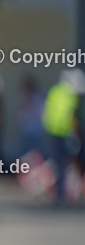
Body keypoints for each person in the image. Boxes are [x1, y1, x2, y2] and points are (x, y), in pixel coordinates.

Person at [41, 68, 85, 203]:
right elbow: (72, 117)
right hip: (64, 132)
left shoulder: (55, 91)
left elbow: (47, 111)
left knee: (58, 162)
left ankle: (59, 193)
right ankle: (61, 193)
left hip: (52, 131)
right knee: (64, 164)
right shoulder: (69, 95)